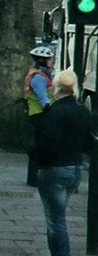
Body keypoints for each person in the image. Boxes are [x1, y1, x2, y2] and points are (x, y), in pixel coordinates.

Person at [31, 68, 96, 256]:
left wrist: (36, 156)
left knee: (56, 221)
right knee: (57, 216)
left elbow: (46, 143)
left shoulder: (54, 113)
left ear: (57, 88)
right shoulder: (82, 111)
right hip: (75, 168)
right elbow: (89, 140)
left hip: (54, 169)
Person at [23, 43, 55, 187]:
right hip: (39, 114)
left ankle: (33, 178)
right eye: (49, 59)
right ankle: (35, 178)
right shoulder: (38, 78)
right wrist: (50, 109)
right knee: (40, 145)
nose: (51, 62)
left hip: (36, 113)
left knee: (38, 144)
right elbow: (43, 98)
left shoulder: (38, 74)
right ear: (43, 61)